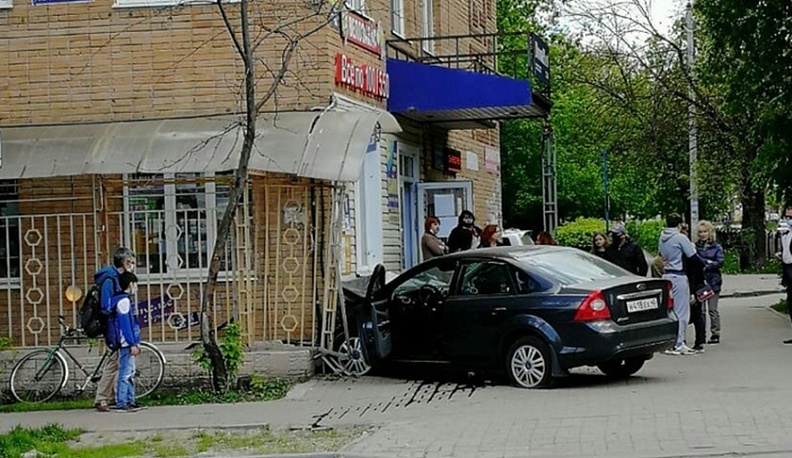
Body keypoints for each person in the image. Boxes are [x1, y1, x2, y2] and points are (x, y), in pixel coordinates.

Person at [94, 247, 136, 412]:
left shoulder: (115, 277)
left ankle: (109, 397)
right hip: (112, 326)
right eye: (131, 262)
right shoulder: (109, 279)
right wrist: (120, 302)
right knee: (113, 363)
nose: (132, 266)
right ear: (125, 263)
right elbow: (105, 306)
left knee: (115, 362)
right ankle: (102, 398)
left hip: (114, 325)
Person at [659, 213, 705, 355]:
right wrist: (705, 264)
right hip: (678, 275)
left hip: (666, 275)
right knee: (682, 312)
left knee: (670, 310)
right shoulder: (680, 238)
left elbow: (661, 254)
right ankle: (679, 343)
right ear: (679, 225)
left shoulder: (662, 237)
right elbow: (693, 257)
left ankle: (670, 342)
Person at [109, 271, 144, 412]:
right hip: (126, 343)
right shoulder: (123, 302)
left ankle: (130, 400)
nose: (136, 287)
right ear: (130, 284)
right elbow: (126, 325)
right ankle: (122, 402)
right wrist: (132, 343)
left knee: (130, 371)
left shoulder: (123, 300)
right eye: (135, 284)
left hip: (128, 343)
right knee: (125, 373)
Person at [696, 220, 724, 344]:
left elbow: (720, 261)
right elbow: (695, 260)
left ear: (710, 232)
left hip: (713, 281)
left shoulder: (716, 246)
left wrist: (707, 265)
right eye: (700, 232)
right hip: (701, 282)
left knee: (713, 309)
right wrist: (705, 263)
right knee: (701, 311)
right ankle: (702, 333)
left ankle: (715, 333)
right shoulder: (696, 246)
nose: (703, 234)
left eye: (705, 232)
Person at [777, 206, 792, 344]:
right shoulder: (784, 232)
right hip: (787, 267)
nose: (788, 220)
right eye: (787, 217)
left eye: (791, 217)